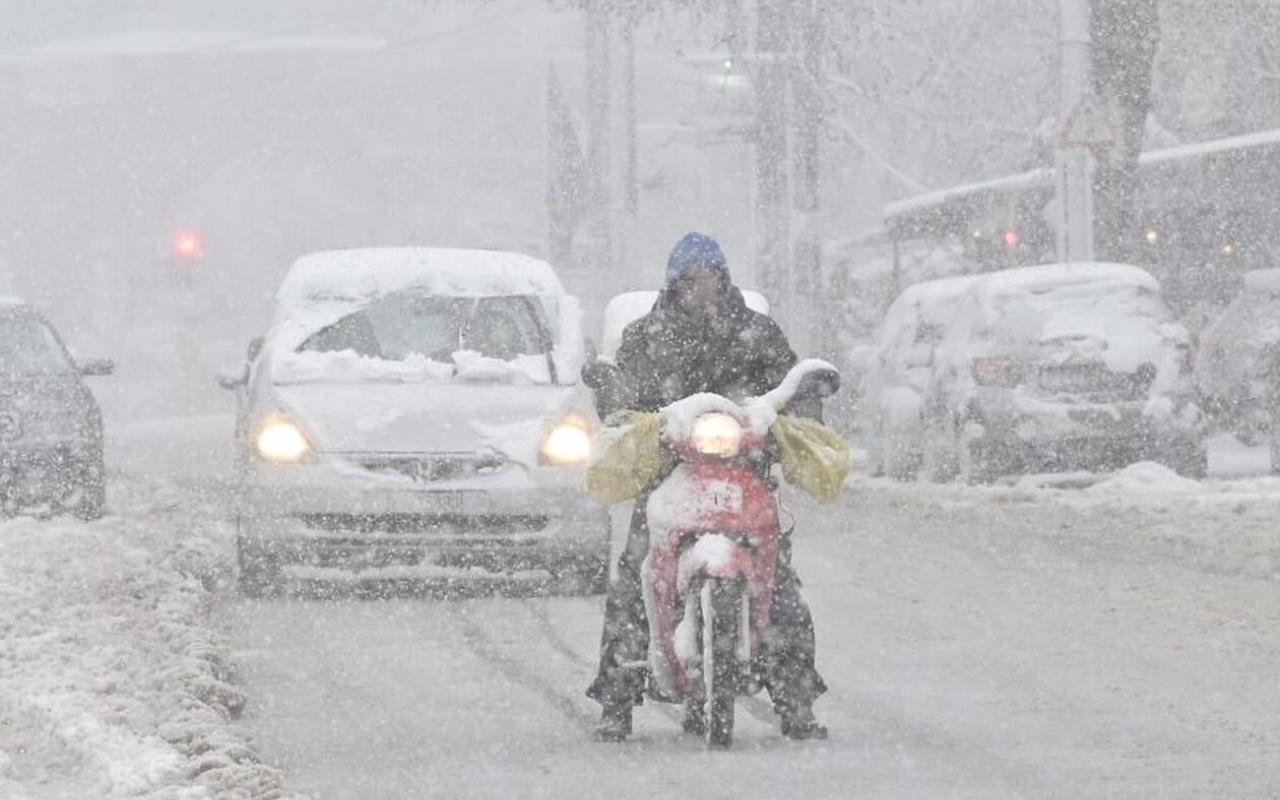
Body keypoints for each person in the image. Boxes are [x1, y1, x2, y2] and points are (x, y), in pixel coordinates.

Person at [584, 231, 828, 742]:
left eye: (709, 277)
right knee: (633, 580)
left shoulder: (757, 332)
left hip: (746, 476)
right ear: (674, 284)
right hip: (667, 477)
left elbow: (787, 385)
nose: (701, 287)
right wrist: (617, 398)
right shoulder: (646, 336)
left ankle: (797, 700)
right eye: (689, 279)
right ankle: (616, 698)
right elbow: (623, 398)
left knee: (780, 582)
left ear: (724, 278)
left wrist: (799, 403)